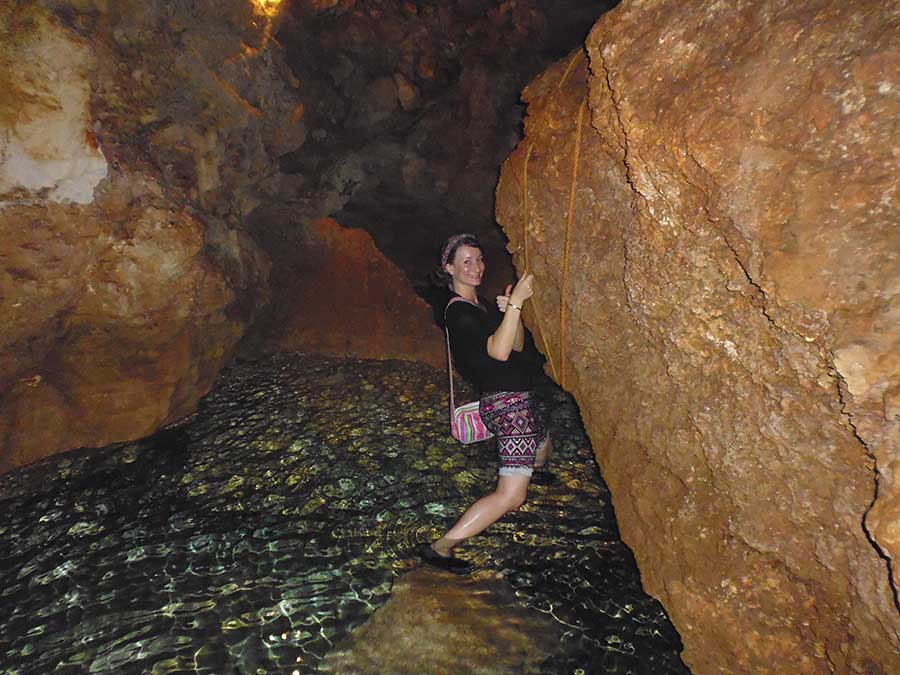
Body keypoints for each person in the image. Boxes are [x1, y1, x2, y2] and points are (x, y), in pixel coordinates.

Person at [422, 233, 552, 574]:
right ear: (448, 268)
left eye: (478, 259)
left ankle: (529, 470)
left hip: (519, 399)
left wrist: (511, 311)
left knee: (542, 442)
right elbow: (498, 352)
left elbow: (518, 345)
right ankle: (441, 548)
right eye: (465, 261)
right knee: (512, 497)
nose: (475, 267)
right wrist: (517, 304)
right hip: (507, 405)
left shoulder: (479, 309)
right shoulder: (459, 313)